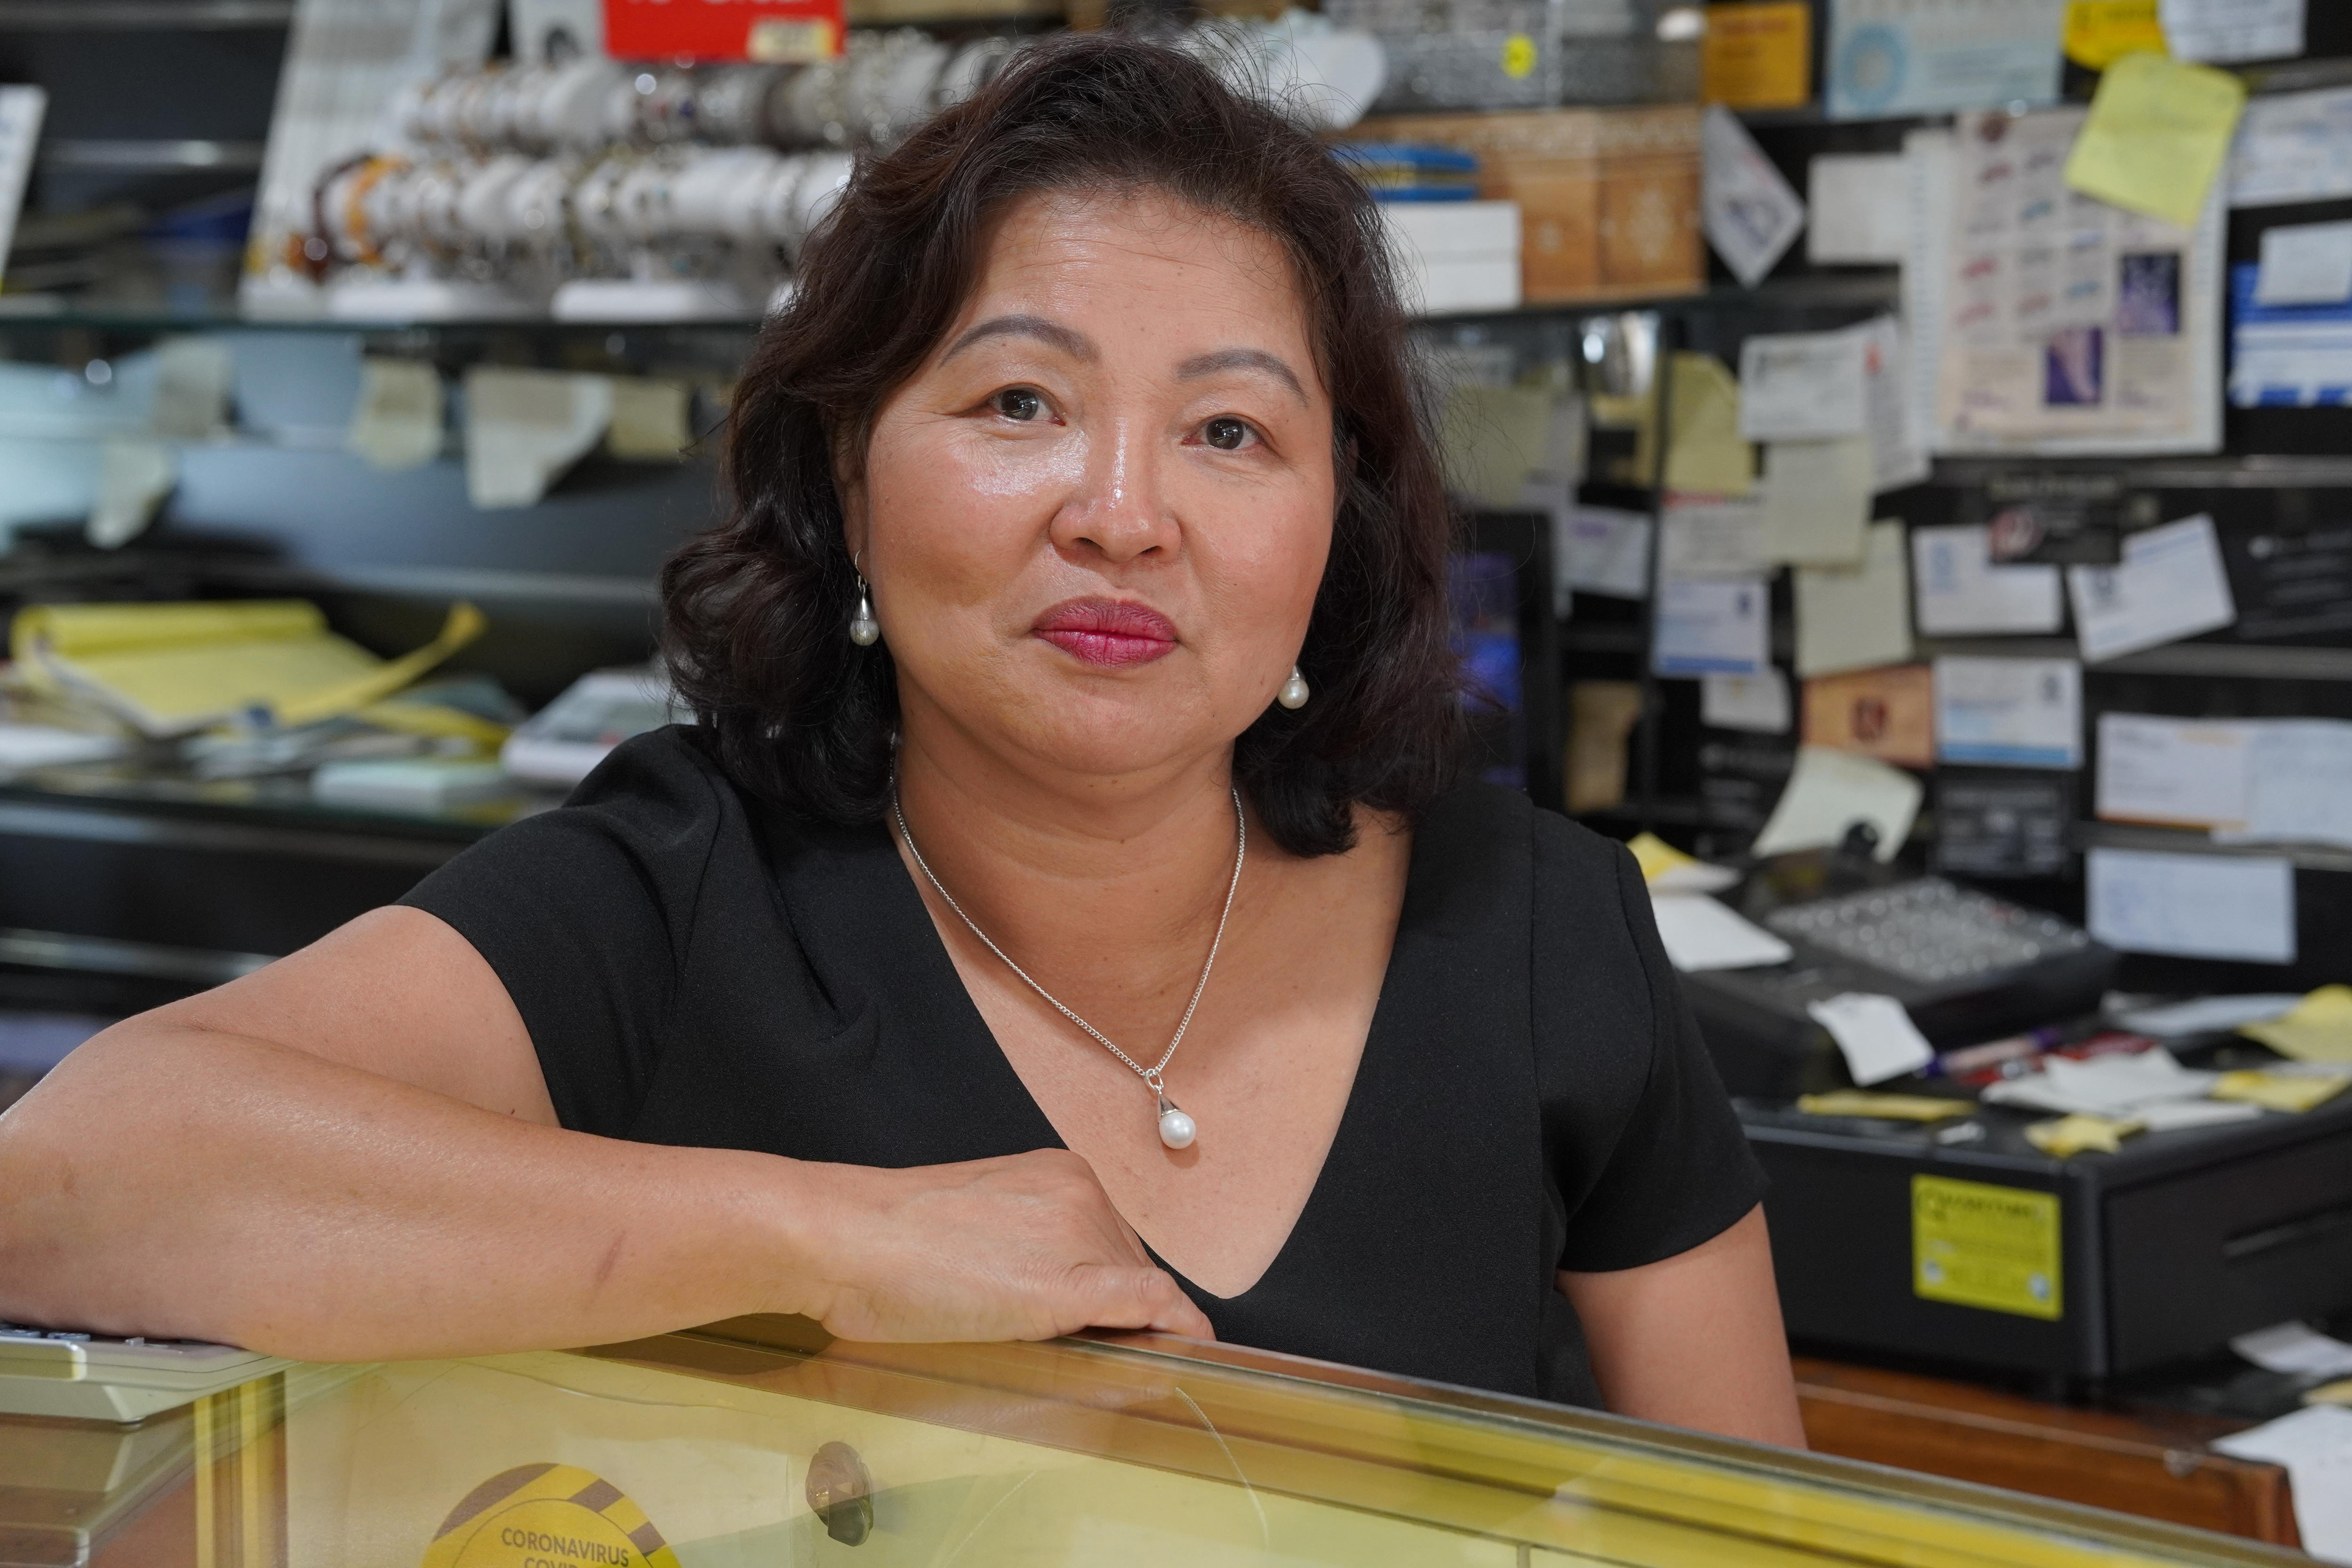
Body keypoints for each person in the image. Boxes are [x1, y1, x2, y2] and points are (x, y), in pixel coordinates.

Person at [0, 33, 1803, 1446]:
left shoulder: (1542, 926)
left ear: (1343, 519)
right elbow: (71, 1182)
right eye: (1020, 401)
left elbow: (1768, 1531)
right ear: (850, 476)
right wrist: (830, 1246)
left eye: (1230, 433)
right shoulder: (676, 900)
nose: (1123, 515)